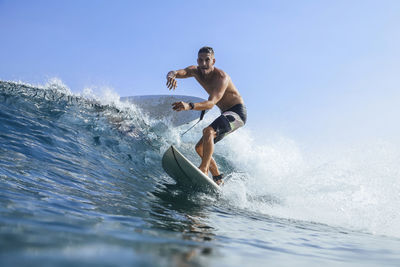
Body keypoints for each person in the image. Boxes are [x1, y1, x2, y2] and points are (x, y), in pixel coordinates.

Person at [166, 46, 247, 185]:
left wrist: (189, 106)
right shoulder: (195, 71)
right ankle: (217, 178)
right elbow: (180, 72)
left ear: (213, 61)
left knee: (208, 132)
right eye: (200, 60)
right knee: (200, 148)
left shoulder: (222, 78)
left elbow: (210, 103)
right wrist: (171, 75)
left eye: (207, 60)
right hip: (226, 114)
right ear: (197, 60)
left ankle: (204, 169)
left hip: (237, 113)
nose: (203, 64)